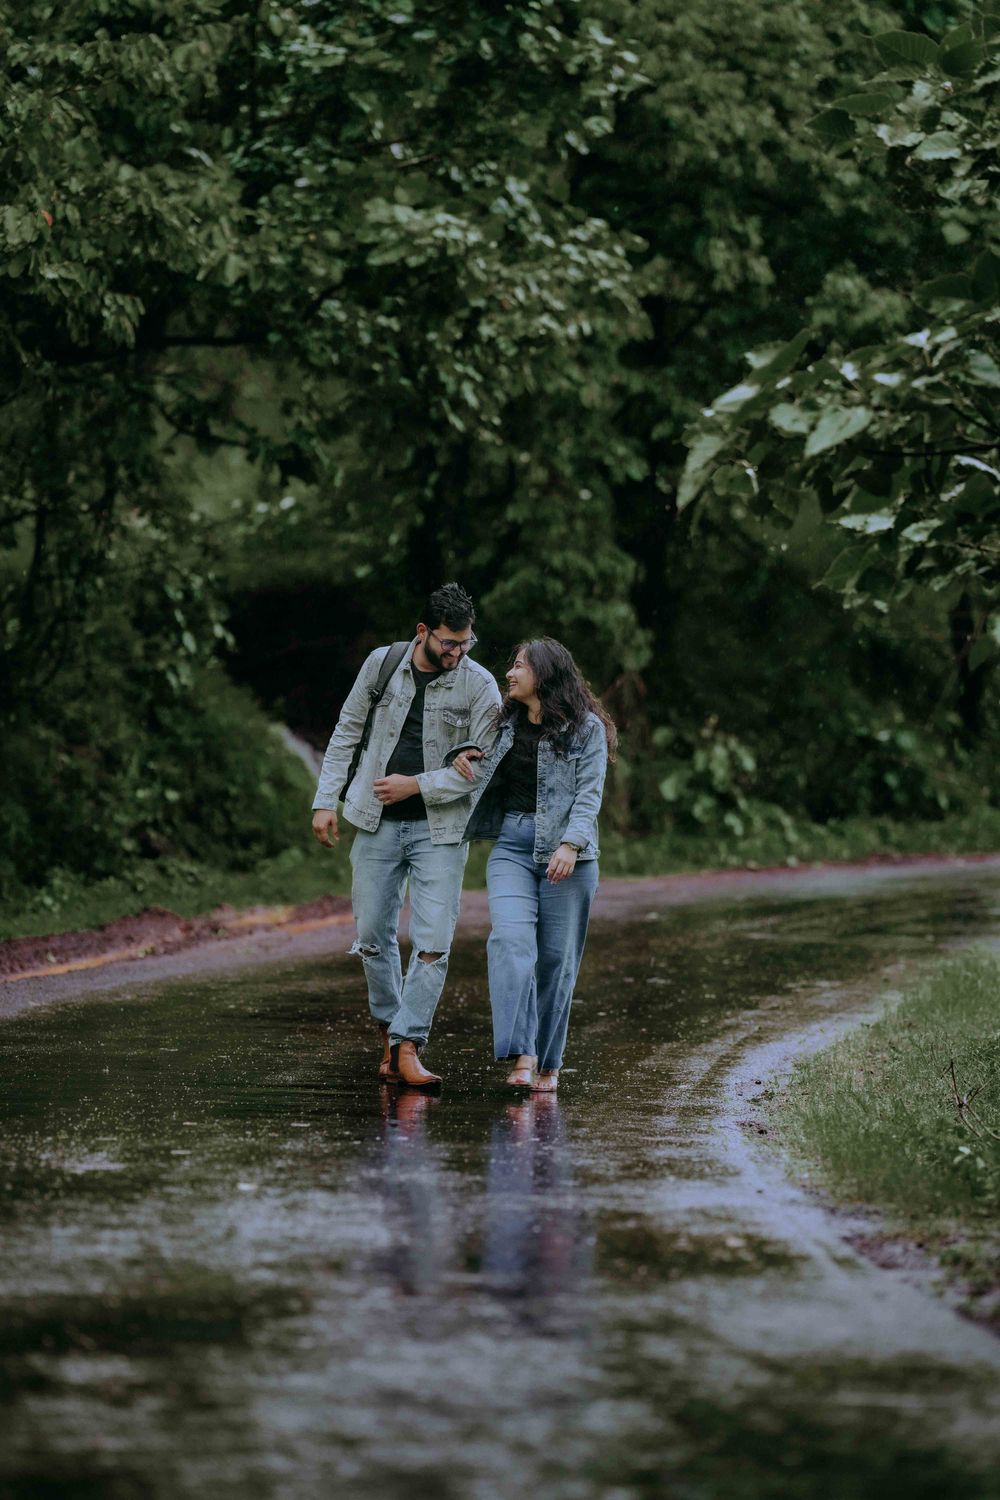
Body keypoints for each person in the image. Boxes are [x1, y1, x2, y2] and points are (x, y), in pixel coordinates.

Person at [311, 583, 501, 1088]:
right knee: (372, 938)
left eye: (465, 643)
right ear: (423, 633)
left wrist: (415, 784)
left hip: (440, 831)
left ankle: (409, 1044)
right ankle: (390, 1038)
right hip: (374, 824)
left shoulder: (480, 686)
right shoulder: (382, 665)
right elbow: (347, 729)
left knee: (433, 942)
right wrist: (325, 800)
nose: (457, 652)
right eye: (448, 643)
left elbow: (481, 770)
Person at [442, 638, 615, 1093]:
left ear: (544, 673)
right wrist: (458, 756)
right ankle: (524, 1053)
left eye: (519, 666)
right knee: (510, 943)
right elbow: (468, 753)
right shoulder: (504, 724)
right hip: (512, 849)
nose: (510, 674)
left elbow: (589, 794)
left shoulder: (587, 729)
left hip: (568, 857)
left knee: (557, 962)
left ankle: (548, 1063)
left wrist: (571, 845)